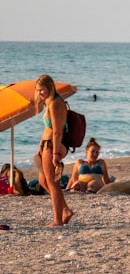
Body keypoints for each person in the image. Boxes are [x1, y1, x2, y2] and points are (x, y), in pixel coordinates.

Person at [33, 74, 72, 227]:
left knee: (53, 183)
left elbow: (57, 131)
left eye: (41, 90)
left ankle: (58, 220)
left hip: (53, 145)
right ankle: (66, 210)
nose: (39, 93)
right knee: (43, 181)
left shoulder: (56, 103)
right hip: (47, 144)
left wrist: (55, 153)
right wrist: (40, 145)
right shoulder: (49, 103)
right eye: (37, 90)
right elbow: (47, 128)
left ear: (49, 87)